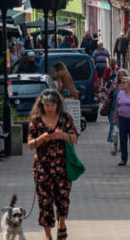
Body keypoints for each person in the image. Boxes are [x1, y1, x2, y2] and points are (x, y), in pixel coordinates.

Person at [27, 90, 78, 240]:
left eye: (52, 105)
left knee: (62, 199)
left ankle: (62, 222)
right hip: (43, 167)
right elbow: (30, 144)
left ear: (58, 105)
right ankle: (48, 236)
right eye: (47, 105)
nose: (49, 108)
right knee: (45, 203)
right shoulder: (36, 120)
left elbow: (74, 138)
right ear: (42, 105)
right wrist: (42, 138)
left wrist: (63, 135)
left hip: (62, 166)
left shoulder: (65, 118)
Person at [106, 70, 127, 147]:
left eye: (123, 75)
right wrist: (111, 89)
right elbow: (108, 95)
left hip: (124, 110)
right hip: (113, 108)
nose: (121, 77)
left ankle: (122, 145)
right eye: (120, 75)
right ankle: (114, 144)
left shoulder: (128, 85)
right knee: (113, 125)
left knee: (122, 128)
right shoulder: (115, 85)